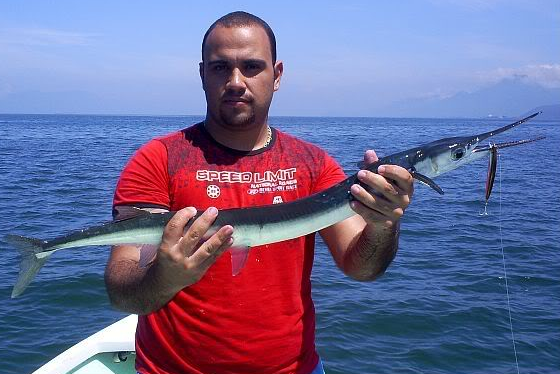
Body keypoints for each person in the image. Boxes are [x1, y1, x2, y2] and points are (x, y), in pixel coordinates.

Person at [104, 11, 413, 374]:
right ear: (202, 74)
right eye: (220, 68)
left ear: (277, 75)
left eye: (251, 66)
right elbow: (122, 289)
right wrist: (165, 277)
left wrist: (382, 224)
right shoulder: (158, 159)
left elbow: (361, 268)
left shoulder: (313, 164)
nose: (236, 81)